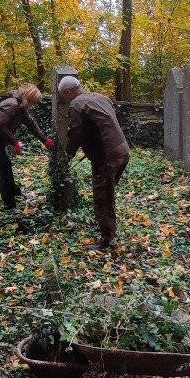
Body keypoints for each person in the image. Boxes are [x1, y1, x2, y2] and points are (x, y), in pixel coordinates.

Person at [58, 76, 129, 250]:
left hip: (107, 157)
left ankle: (107, 240)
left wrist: (67, 155)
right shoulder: (101, 97)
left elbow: (76, 133)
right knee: (107, 192)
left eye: (63, 95)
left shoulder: (76, 104)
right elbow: (103, 124)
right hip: (122, 151)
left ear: (68, 92)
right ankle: (109, 229)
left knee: (102, 197)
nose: (65, 99)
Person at [0, 84, 54, 209]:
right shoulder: (12, 105)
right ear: (28, 98)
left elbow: (31, 124)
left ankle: (15, 192)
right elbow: (0, 125)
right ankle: (9, 204)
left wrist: (45, 140)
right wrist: (15, 142)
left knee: (7, 165)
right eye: (33, 102)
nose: (33, 105)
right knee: (3, 171)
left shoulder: (21, 107)